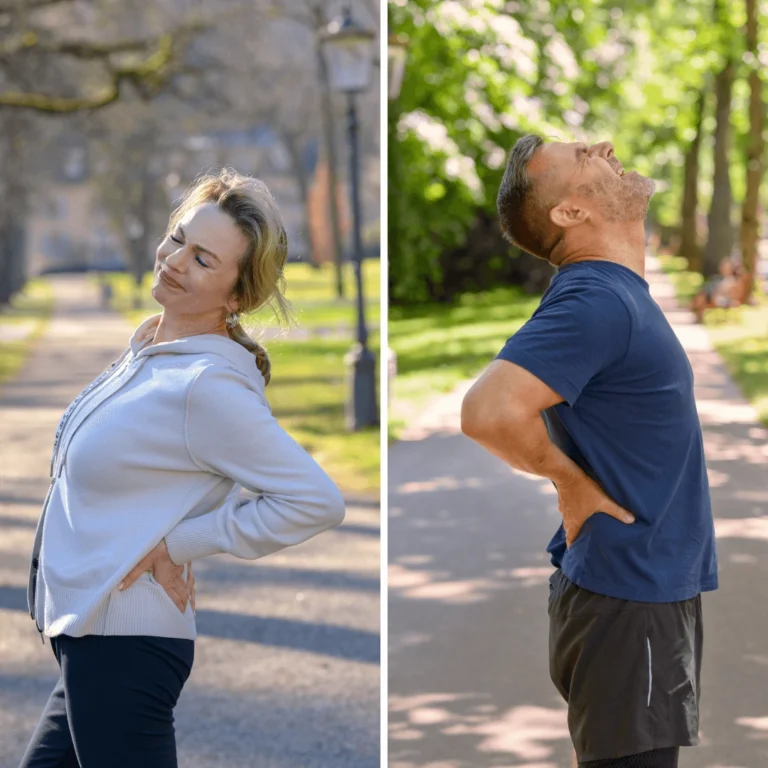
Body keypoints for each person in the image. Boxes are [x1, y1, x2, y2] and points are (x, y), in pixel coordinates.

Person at [20, 168, 346, 767]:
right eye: (177, 239)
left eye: (202, 259)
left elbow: (316, 499)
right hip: (90, 639)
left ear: (236, 295)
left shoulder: (208, 386)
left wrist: (183, 542)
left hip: (125, 645)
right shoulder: (150, 351)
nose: (173, 261)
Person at [461, 136, 717, 768]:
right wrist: (567, 482)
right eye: (580, 154)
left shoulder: (614, 295)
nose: (601, 145)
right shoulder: (597, 298)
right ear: (569, 213)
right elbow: (487, 410)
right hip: (630, 599)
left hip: (638, 595)